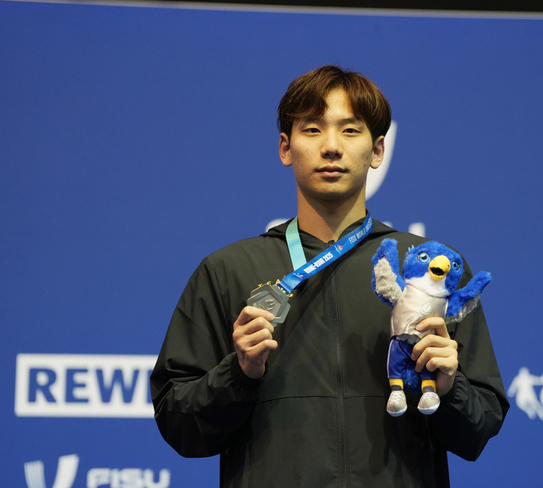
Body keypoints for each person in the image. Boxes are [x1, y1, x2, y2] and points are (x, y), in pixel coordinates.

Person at [150, 65, 509, 488]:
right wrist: (239, 373)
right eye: (313, 129)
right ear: (286, 148)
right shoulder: (228, 270)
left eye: (350, 130)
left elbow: (480, 429)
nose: (332, 147)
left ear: (377, 150)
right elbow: (179, 425)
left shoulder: (433, 269)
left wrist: (449, 388)